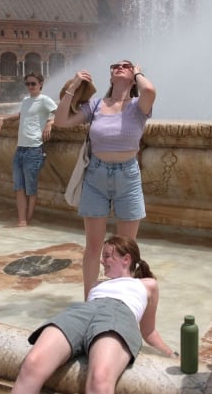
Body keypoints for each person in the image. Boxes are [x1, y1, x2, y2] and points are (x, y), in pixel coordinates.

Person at [11, 235, 175, 394]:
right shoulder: (97, 284)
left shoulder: (147, 284)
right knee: (33, 363)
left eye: (107, 256)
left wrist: (170, 353)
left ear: (126, 259)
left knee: (100, 378)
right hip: (82, 312)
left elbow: (149, 331)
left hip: (118, 314)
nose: (102, 261)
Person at [54, 60, 156, 299]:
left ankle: (123, 298)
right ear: (110, 77)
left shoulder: (138, 105)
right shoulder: (96, 104)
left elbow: (149, 90)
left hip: (127, 177)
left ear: (133, 77)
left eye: (126, 65)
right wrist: (74, 86)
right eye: (115, 66)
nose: (119, 67)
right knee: (93, 246)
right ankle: (90, 298)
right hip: (96, 177)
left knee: (127, 247)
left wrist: (139, 72)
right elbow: (61, 121)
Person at [0, 72, 57, 227]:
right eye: (27, 84)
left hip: (34, 149)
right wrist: (4, 119)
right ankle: (22, 219)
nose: (30, 87)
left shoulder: (45, 100)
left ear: (40, 84)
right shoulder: (26, 100)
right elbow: (22, 115)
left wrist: (49, 123)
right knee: (18, 187)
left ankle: (28, 219)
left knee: (30, 188)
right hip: (20, 148)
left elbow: (59, 113)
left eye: (33, 84)